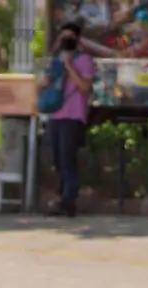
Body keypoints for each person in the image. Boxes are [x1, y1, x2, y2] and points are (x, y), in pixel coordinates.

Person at [39, 22, 94, 218]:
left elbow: (85, 87)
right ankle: (64, 198)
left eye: (69, 37)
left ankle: (68, 200)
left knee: (67, 158)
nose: (65, 41)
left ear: (78, 39)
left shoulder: (84, 60)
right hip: (55, 114)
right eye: (63, 37)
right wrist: (44, 82)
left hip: (73, 115)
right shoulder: (54, 60)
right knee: (57, 159)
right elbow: (43, 83)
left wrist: (69, 66)